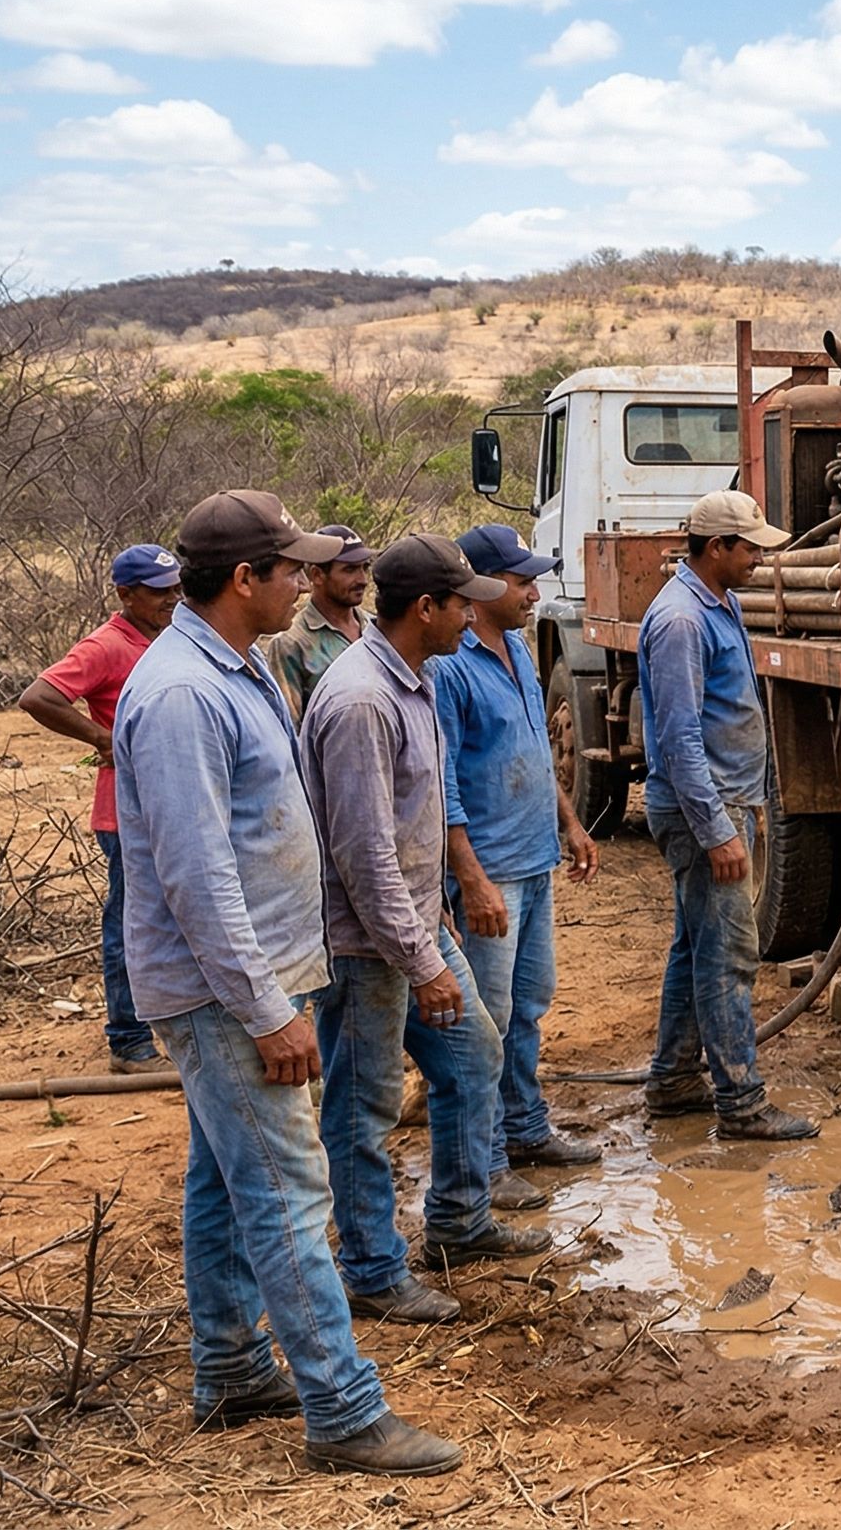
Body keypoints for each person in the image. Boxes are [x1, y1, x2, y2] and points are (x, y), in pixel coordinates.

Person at [114, 489, 458, 1475]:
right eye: (290, 569)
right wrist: (267, 1010)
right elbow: (195, 873)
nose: (306, 583)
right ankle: (342, 1411)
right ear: (243, 579)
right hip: (228, 993)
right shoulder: (183, 694)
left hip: (251, 977)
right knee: (289, 1194)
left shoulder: (236, 667)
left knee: (227, 1181)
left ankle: (230, 1367)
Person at [302, 534, 547, 1324]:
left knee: (473, 1057)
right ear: (425, 609)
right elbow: (363, 852)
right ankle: (372, 1269)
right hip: (366, 944)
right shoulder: (361, 700)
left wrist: (434, 910)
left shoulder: (416, 679)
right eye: (460, 604)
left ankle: (459, 1222)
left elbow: (414, 816)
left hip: (413, 922)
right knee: (363, 1105)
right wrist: (423, 959)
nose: (471, 616)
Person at [637, 490, 820, 1139]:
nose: (758, 560)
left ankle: (674, 1080)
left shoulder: (720, 603)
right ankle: (740, 1102)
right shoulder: (682, 621)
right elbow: (680, 738)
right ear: (716, 548)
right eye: (749, 549)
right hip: (702, 810)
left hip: (720, 801)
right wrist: (718, 831)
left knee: (695, 947)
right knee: (729, 957)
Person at [435, 524, 603, 1176]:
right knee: (486, 1021)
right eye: (521, 581)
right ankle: (483, 1163)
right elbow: (442, 784)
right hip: (492, 872)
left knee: (528, 1004)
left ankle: (525, 1129)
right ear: (479, 588)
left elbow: (533, 749)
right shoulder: (450, 668)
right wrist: (470, 878)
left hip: (533, 861)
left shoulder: (516, 649)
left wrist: (571, 823)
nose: (534, 594)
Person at [20, 543, 182, 1074]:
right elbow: (39, 697)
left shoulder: (169, 638)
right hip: (125, 813)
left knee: (173, 920)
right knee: (130, 923)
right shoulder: (107, 645)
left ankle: (169, 1026)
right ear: (126, 594)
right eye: (158, 592)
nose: (171, 599)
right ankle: (129, 1042)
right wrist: (101, 738)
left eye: (176, 589)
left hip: (170, 807)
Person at [261, 524, 374, 718]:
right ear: (317, 575)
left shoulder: (376, 628)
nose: (362, 579)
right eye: (350, 569)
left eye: (365, 567)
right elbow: (289, 724)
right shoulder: (291, 644)